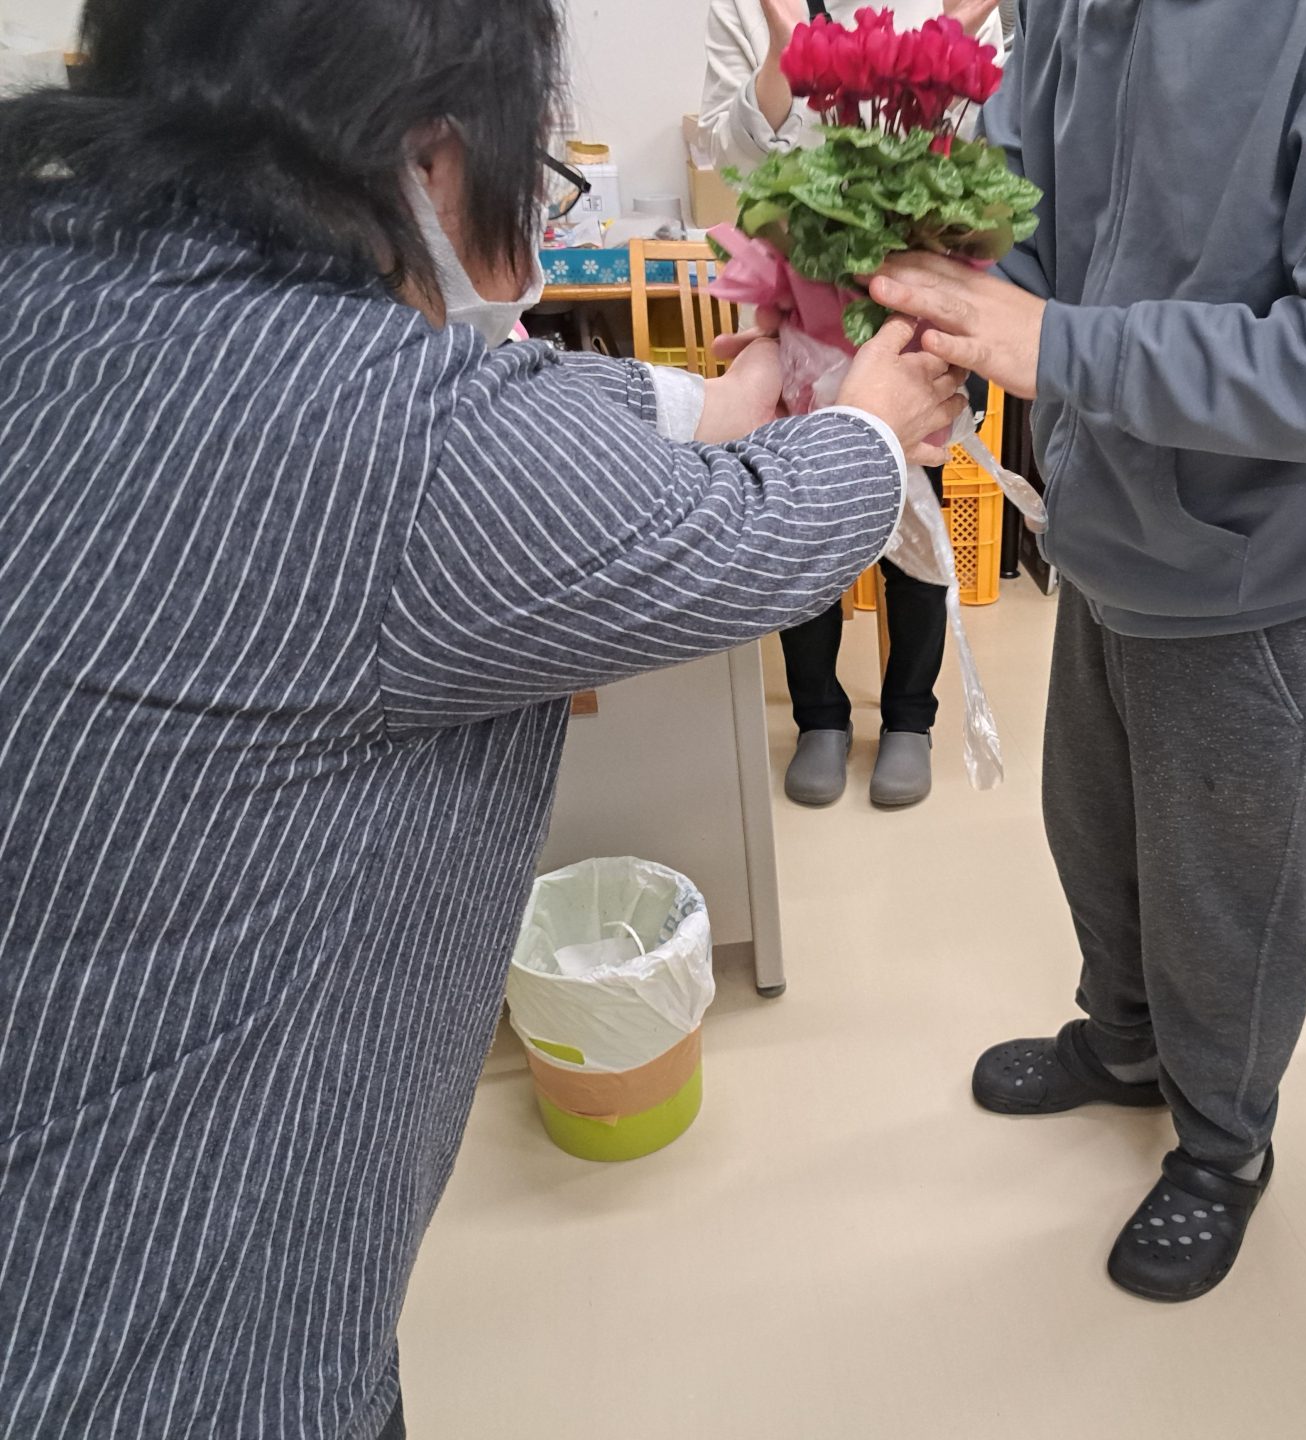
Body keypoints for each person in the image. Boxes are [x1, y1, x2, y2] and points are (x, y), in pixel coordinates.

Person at [0, 2, 967, 1434]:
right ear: (433, 159)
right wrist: (872, 425)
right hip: (180, 1345)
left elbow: (524, 412)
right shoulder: (391, 433)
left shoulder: (61, 286)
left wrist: (722, 402)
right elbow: (749, 530)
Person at [871, 0, 1306, 1301]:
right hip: (1112, 518)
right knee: (1096, 833)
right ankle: (1123, 1042)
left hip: (1276, 565)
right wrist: (927, 286)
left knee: (1229, 899)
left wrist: (1056, 343)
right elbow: (1032, 212)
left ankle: (1225, 1144)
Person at [698, 0, 1003, 810]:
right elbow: (730, 154)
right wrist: (783, 50)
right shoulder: (744, 7)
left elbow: (992, 144)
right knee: (804, 528)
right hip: (803, 308)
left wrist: (957, 37)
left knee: (917, 529)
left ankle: (910, 719)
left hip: (913, 303)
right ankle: (820, 719)